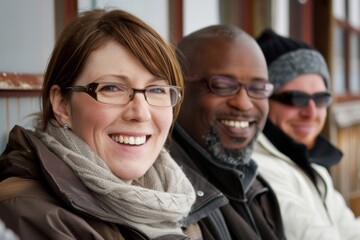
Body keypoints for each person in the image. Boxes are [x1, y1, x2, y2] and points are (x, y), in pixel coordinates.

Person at [0, 9, 197, 240]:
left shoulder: (176, 200)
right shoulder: (29, 212)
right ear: (62, 105)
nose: (141, 113)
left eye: (157, 90)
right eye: (112, 88)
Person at [169, 25, 286, 239]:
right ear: (178, 89)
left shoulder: (253, 183)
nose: (243, 103)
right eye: (222, 85)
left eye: (258, 89)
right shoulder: (167, 195)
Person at [253, 28, 360, 239]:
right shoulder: (257, 167)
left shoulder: (308, 161)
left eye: (321, 99)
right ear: (262, 101)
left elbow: (348, 231)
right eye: (295, 99)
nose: (311, 112)